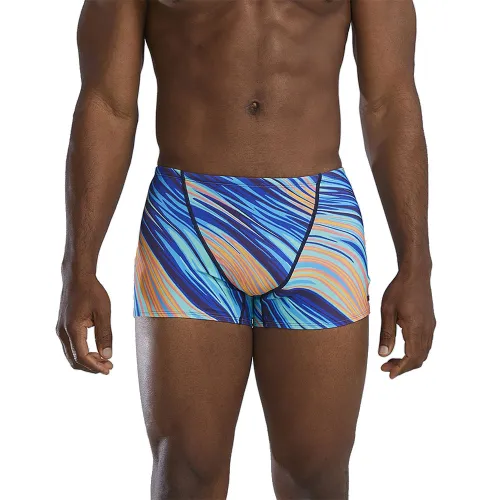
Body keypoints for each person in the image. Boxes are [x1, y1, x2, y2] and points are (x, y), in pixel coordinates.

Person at [56, 0, 436, 498]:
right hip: (187, 220)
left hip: (318, 220)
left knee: (316, 474)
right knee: (186, 471)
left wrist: (416, 263)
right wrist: (78, 265)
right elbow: (107, 102)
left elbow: (389, 100)